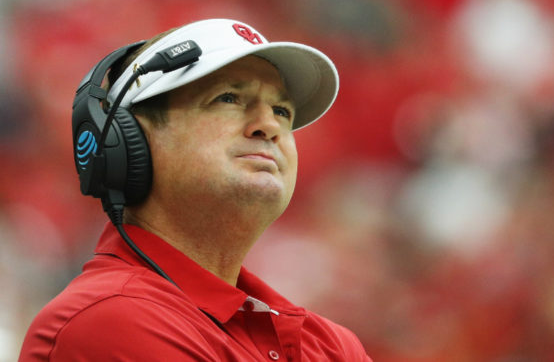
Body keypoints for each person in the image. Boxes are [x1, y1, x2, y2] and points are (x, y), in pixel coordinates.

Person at [19, 18, 372, 361]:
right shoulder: (108, 319)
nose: (269, 126)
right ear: (129, 140)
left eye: (281, 111)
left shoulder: (331, 345)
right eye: (228, 98)